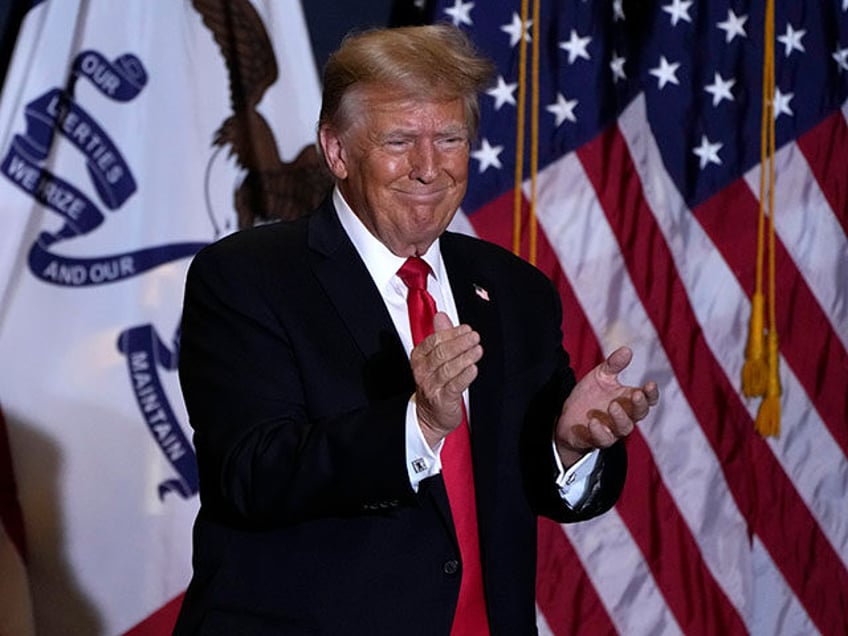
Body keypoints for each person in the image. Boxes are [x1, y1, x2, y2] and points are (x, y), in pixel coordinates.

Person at [174, 24, 659, 636]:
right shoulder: (247, 277)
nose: (429, 169)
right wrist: (418, 424)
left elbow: (533, 488)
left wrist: (566, 446)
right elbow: (250, 474)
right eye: (400, 141)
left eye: (450, 138)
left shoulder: (513, 290)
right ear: (337, 151)